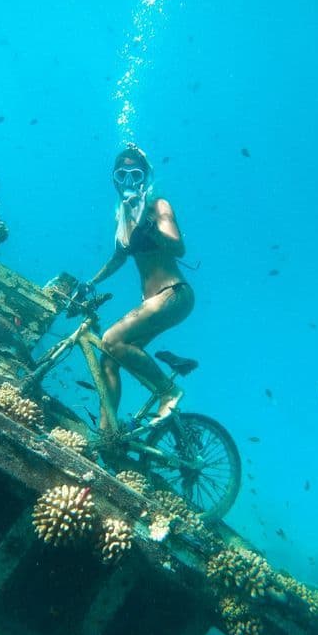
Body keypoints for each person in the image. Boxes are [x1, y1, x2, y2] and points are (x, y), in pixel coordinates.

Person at [81, 145, 194, 429]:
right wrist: (89, 283)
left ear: (146, 177)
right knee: (109, 359)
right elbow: (118, 258)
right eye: (122, 175)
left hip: (174, 294)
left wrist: (149, 223)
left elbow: (178, 248)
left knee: (110, 338)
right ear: (115, 180)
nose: (129, 181)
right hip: (155, 302)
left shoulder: (158, 207)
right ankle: (108, 433)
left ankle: (168, 392)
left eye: (136, 174)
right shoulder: (124, 217)